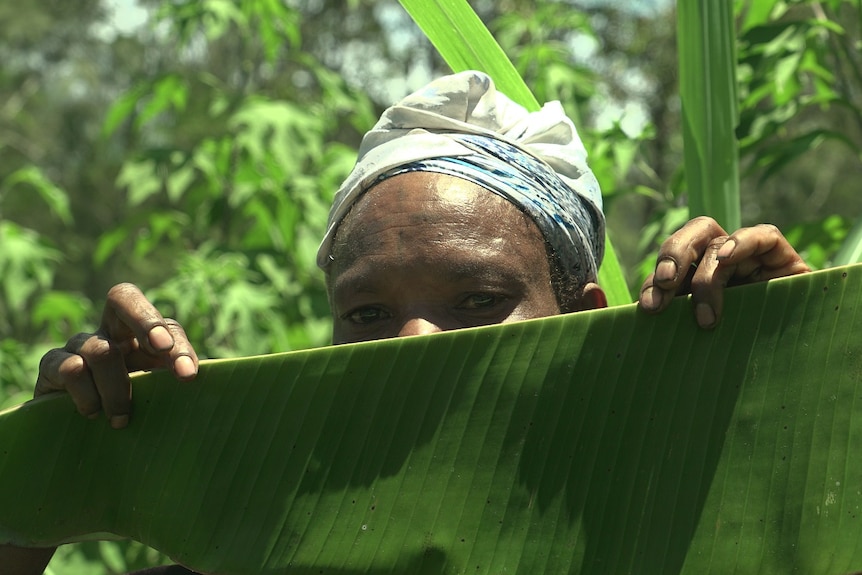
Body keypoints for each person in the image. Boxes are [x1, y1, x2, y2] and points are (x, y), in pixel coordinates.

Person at [4, 71, 810, 575]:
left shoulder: (684, 539)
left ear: (581, 315)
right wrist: (40, 479)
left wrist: (810, 384)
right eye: (368, 312)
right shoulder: (249, 555)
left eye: (478, 300)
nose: (413, 343)